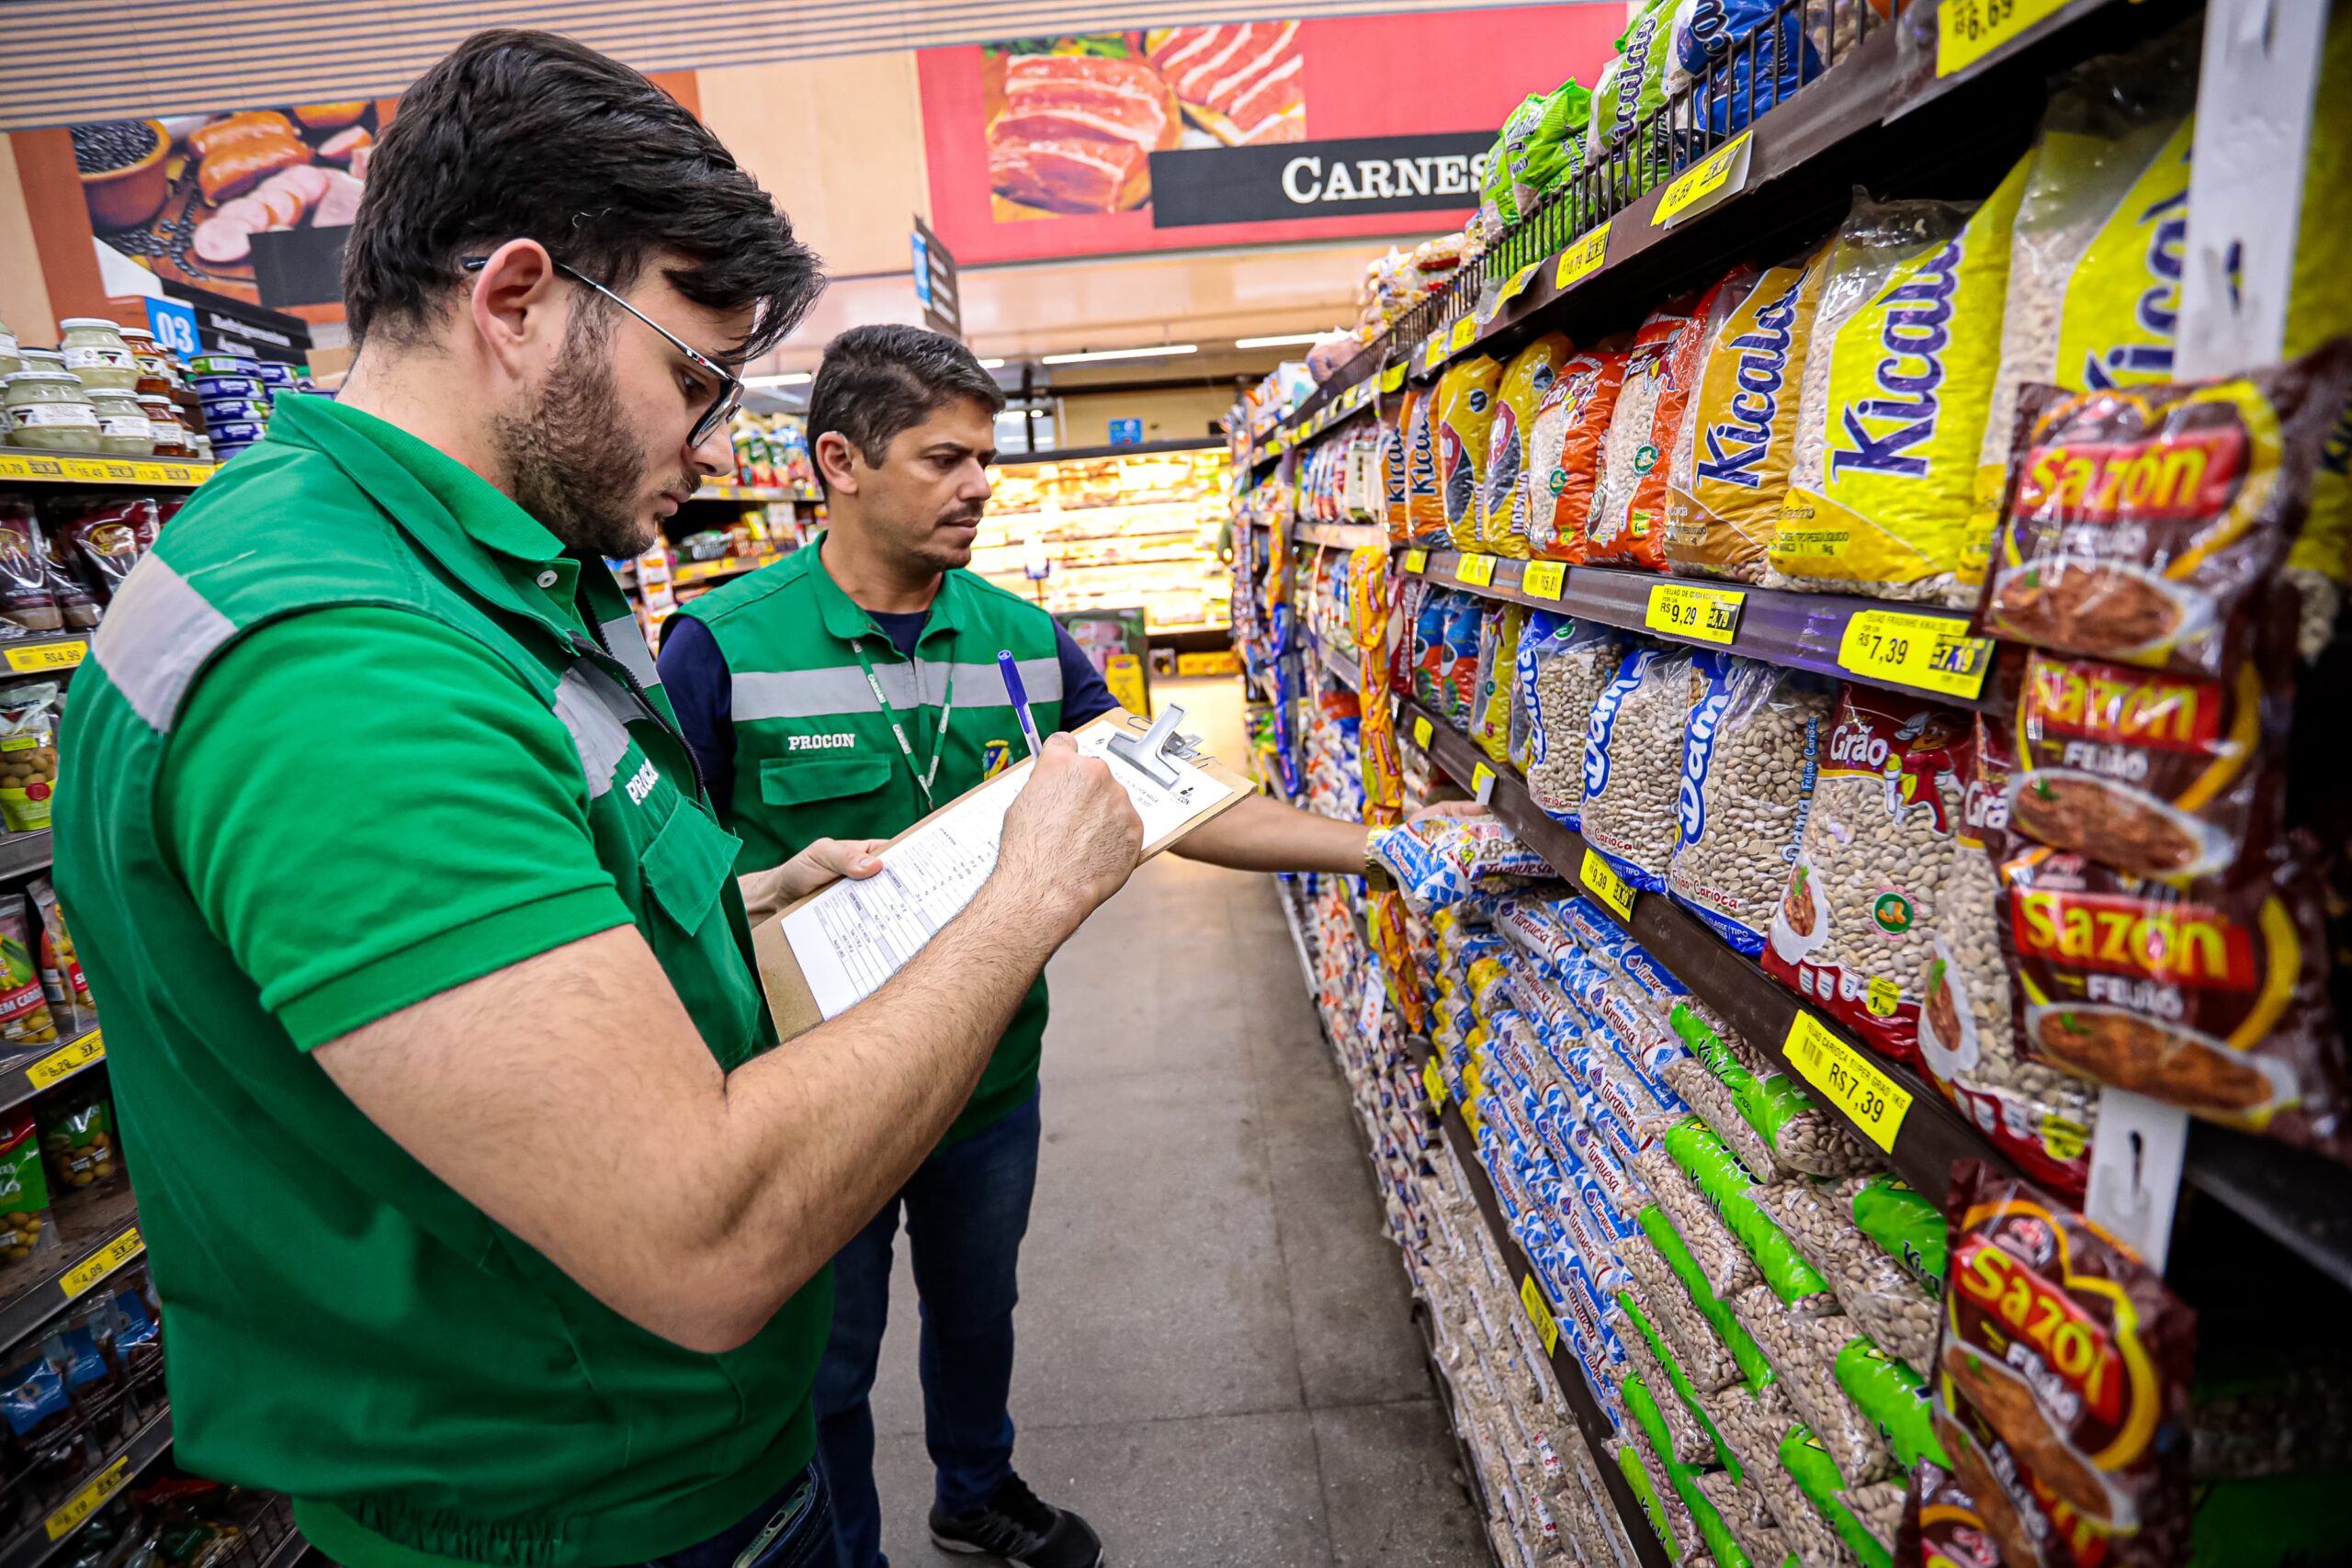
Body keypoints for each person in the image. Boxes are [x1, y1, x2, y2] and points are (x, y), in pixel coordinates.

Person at [54, 34, 1147, 1568]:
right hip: (580, 1508)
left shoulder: (473, 572)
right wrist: (1026, 896)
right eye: (690, 378)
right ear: (516, 301)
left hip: (651, 1468)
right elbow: (701, 1237)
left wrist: (739, 900)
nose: (704, 454)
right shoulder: (346, 669)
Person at [660, 324, 1451, 1568]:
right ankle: (846, 1551)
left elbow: (1178, 798)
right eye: (944, 458)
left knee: (981, 1309)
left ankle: (974, 1486)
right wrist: (770, 885)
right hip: (813, 1088)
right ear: (839, 462)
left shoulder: (1023, 637)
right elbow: (678, 889)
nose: (981, 484)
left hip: (987, 1072)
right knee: (826, 1357)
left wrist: (1380, 848)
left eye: (986, 457)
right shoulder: (720, 646)